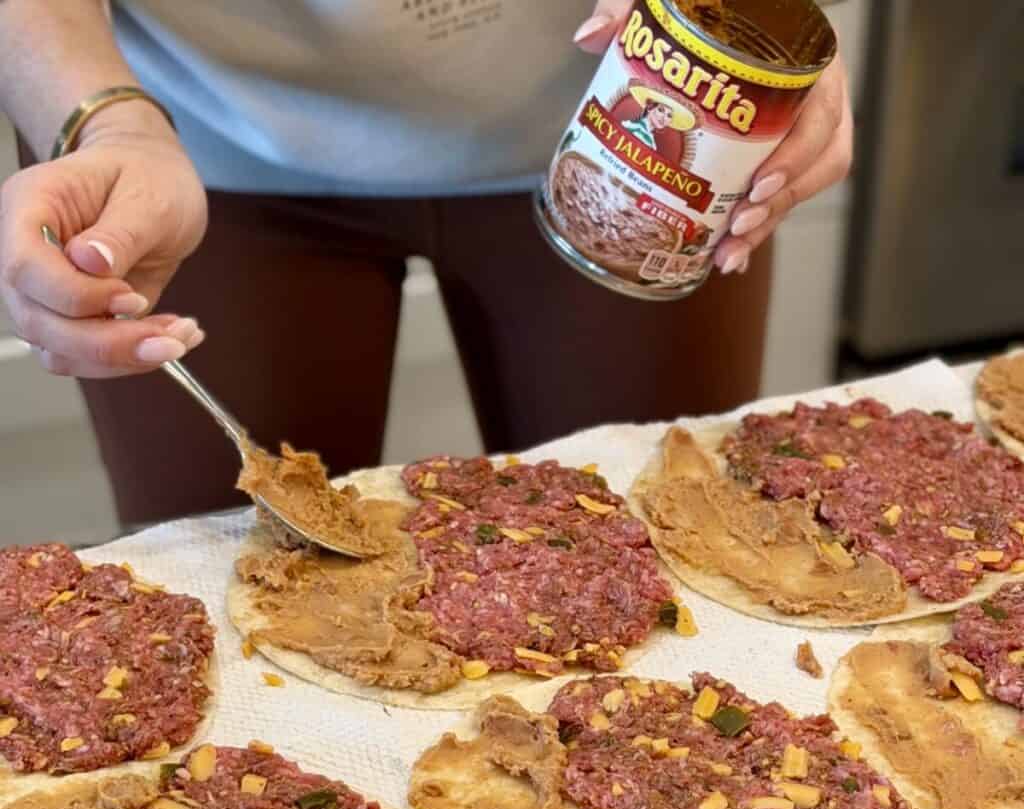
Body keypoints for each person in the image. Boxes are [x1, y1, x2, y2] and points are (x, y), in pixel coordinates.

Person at [0, 1, 853, 528]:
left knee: (669, 532)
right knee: (227, 567)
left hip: (633, 142)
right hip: (203, 137)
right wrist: (108, 122)